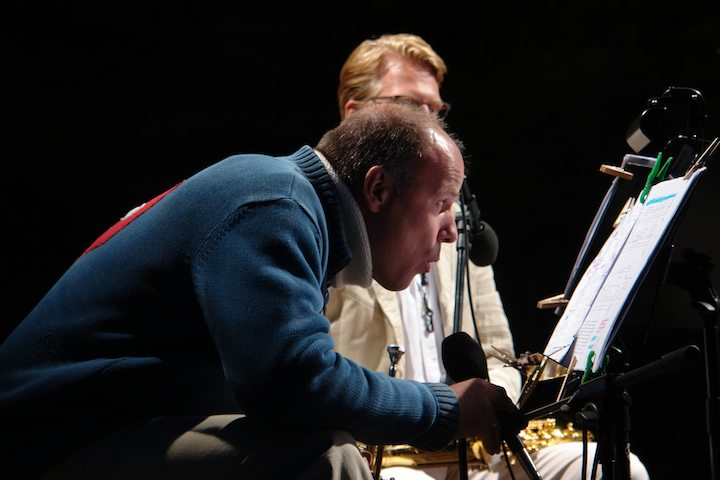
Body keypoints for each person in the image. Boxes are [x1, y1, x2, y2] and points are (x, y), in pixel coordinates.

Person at [0, 102, 527, 480]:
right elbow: (293, 382)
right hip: (47, 443)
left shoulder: (287, 201)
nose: (452, 231)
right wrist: (439, 408)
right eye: (441, 204)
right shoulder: (276, 205)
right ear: (377, 188)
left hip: (101, 427)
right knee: (325, 458)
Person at [327, 33, 650, 480]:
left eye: (437, 110)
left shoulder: (456, 218)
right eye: (411, 106)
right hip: (384, 455)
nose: (430, 124)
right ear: (355, 115)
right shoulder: (331, 219)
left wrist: (489, 399)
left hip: (476, 451)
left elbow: (498, 350)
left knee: (610, 469)